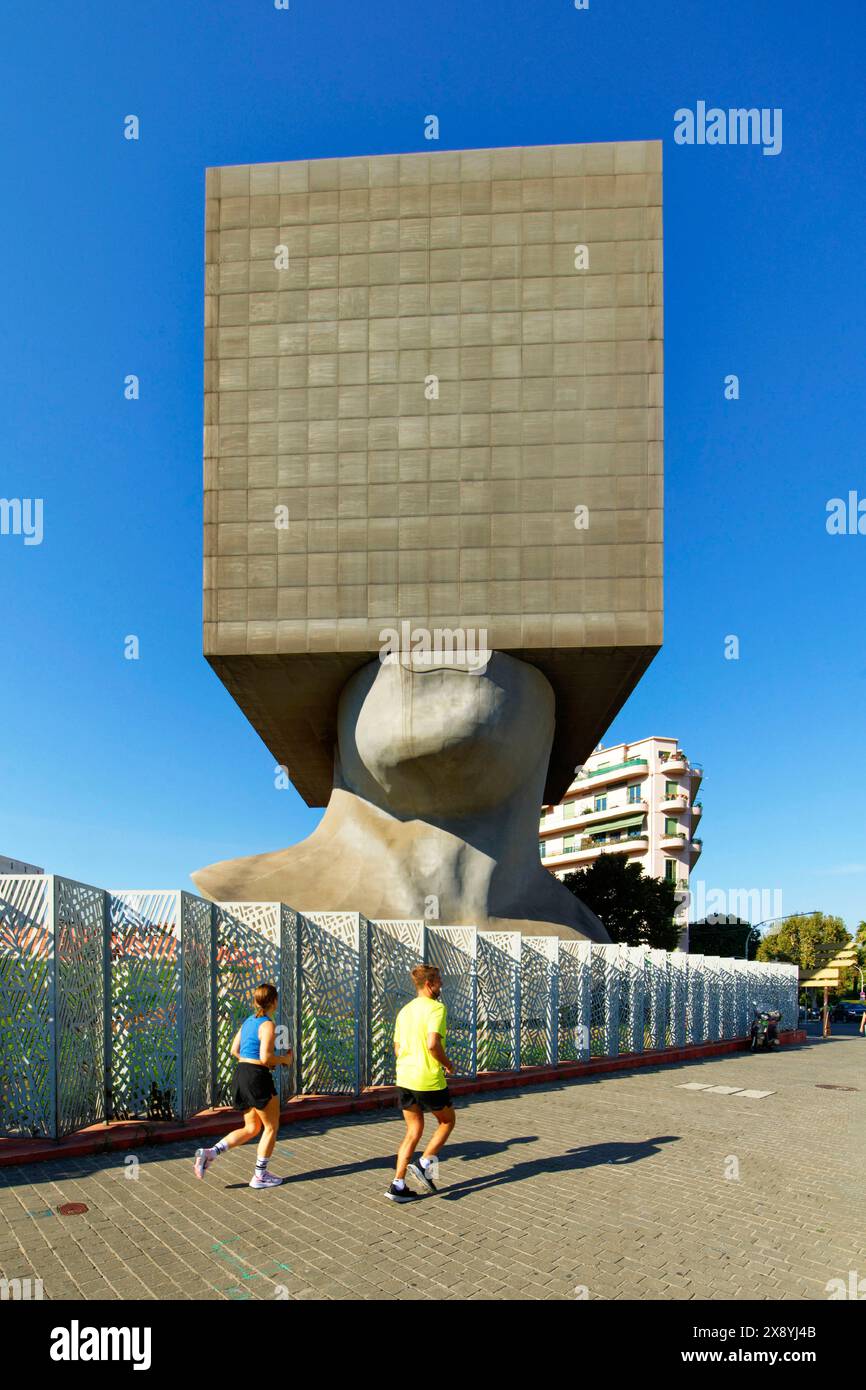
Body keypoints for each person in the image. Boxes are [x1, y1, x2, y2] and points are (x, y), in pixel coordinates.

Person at [194, 982, 292, 1189]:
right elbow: (266, 1058)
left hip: (241, 1074)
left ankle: (210, 1152)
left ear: (256, 1001)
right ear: (274, 1001)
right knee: (271, 1127)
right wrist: (284, 1060)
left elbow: (234, 1050)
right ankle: (260, 1176)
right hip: (257, 1077)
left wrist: (252, 1063)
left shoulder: (248, 1021)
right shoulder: (268, 1025)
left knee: (251, 1127)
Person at [385, 964, 456, 1203]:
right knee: (447, 1121)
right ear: (429, 984)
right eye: (439, 980)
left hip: (405, 1077)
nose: (442, 984)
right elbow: (433, 1044)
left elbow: (397, 1049)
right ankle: (425, 1164)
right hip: (427, 1078)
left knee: (413, 1130)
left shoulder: (404, 1011)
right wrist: (448, 1064)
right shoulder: (436, 1008)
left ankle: (397, 1185)